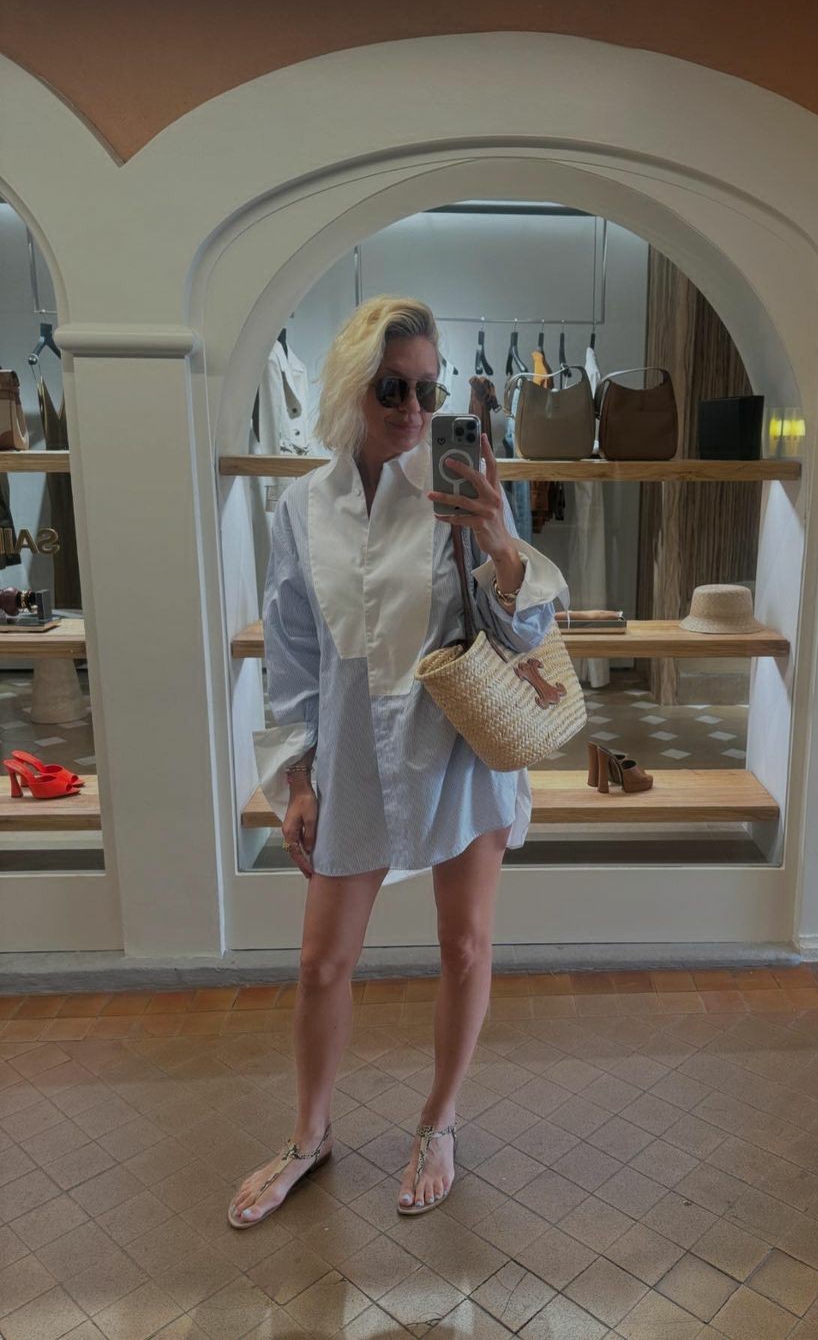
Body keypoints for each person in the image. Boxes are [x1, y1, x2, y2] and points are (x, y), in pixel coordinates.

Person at [227, 296, 568, 1228]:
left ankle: (439, 1121)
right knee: (320, 962)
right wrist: (298, 778)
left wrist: (500, 544)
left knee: (464, 945)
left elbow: (523, 629)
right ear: (353, 388)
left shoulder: (462, 486)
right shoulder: (303, 507)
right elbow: (294, 650)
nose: (414, 408)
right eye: (392, 388)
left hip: (458, 749)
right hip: (350, 756)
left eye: (428, 388)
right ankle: (309, 1136)